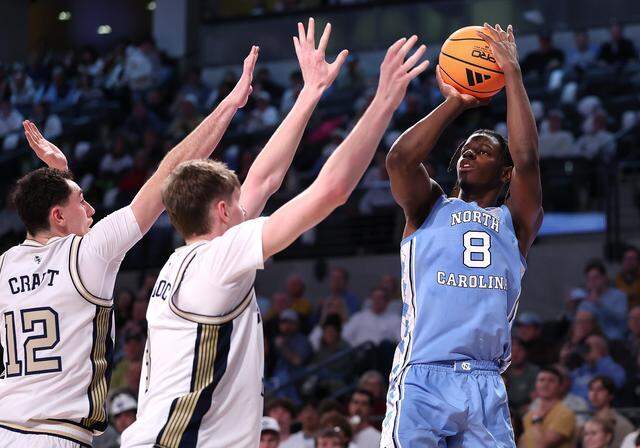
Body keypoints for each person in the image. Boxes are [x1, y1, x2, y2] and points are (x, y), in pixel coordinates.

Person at [121, 20, 428, 448]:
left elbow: (264, 179)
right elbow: (331, 192)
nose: (248, 202)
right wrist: (383, 103)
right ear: (223, 211)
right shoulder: (218, 261)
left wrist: (310, 93)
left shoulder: (183, 260)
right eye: (237, 200)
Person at [0, 45, 260, 448]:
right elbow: (168, 173)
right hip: (56, 435)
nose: (91, 208)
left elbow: (45, 220)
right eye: (81, 201)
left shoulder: (6, 265)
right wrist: (228, 104)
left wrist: (59, 173)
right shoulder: (88, 255)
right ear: (57, 216)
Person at [381, 23, 543, 447]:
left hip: (485, 382)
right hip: (423, 376)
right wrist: (456, 102)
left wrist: (513, 76)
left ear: (504, 173)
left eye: (482, 150)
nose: (467, 153)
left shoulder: (517, 221)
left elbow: (527, 159)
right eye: (463, 150)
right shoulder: (429, 206)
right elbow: (399, 159)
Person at [520, 367, 576, 448]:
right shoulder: (529, 415)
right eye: (541, 380)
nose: (545, 384)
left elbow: (542, 445)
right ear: (536, 384)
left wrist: (537, 420)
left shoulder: (565, 413)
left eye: (551, 380)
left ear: (560, 386)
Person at [578, 260, 628, 341]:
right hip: (590, 340)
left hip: (613, 340)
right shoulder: (586, 300)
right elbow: (579, 323)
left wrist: (600, 304)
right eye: (589, 279)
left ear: (604, 278)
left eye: (596, 278)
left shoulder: (619, 295)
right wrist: (572, 308)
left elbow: (622, 320)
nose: (592, 282)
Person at [587, 375, 634, 447]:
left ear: (610, 395)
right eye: (591, 389)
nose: (594, 394)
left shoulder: (622, 425)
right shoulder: (588, 421)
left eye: (600, 390)